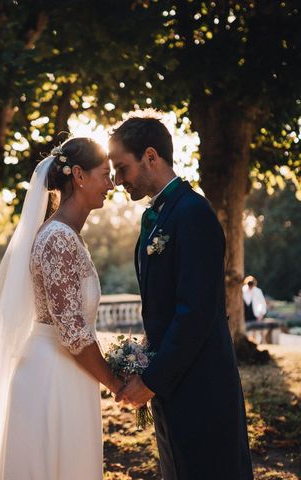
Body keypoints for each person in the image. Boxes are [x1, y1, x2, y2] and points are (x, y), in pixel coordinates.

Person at [109, 112, 253, 480]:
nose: (117, 180)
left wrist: (151, 380)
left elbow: (195, 313)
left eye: (122, 167)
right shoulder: (160, 216)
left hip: (202, 386)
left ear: (151, 157)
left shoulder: (192, 214)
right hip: (174, 384)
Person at [0, 137, 122, 479]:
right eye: (105, 174)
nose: (112, 184)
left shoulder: (67, 235)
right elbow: (73, 334)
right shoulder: (58, 240)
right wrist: (116, 383)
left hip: (68, 372)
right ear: (79, 176)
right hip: (53, 376)